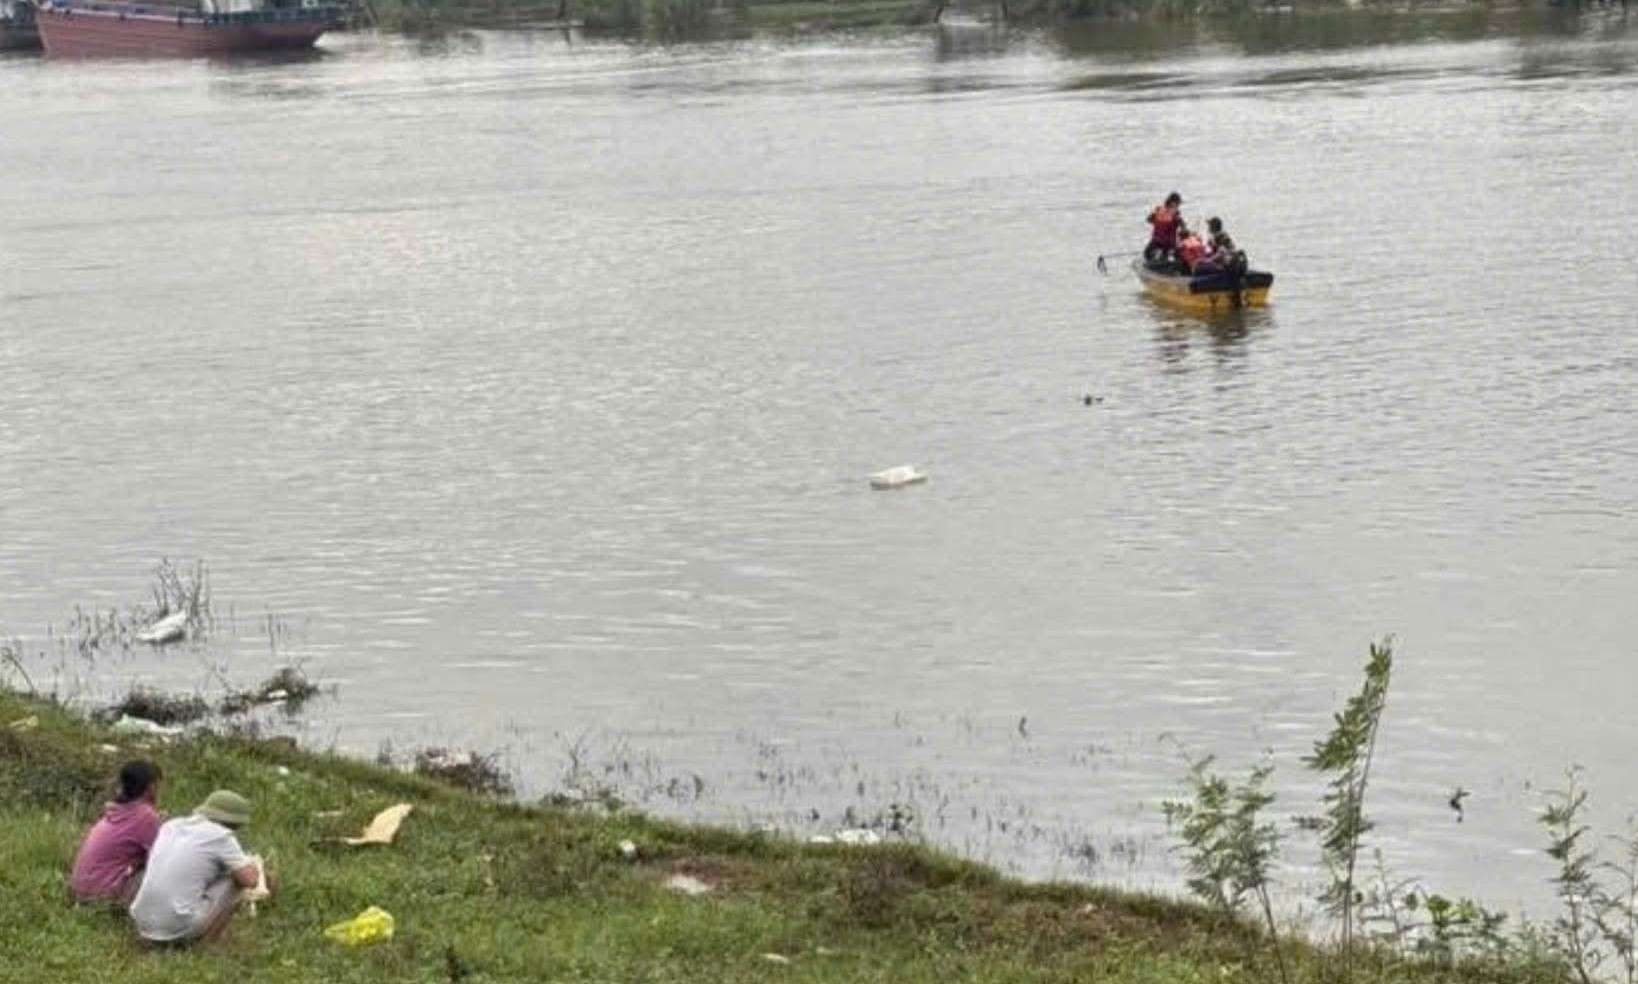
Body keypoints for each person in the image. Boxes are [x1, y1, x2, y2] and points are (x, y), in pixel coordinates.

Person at [129, 790, 269, 945]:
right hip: (178, 925)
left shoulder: (170, 825)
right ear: (233, 823)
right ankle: (208, 943)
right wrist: (254, 866)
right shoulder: (221, 836)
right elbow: (250, 880)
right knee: (235, 882)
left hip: (142, 923)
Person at [69, 761, 165, 904]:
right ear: (151, 787)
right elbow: (160, 857)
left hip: (80, 890)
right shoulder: (145, 816)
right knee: (165, 874)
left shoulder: (116, 810)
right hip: (101, 894)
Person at [1143, 191, 1184, 264]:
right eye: (1178, 204)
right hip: (1169, 244)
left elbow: (1149, 219)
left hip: (1156, 241)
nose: (1178, 206)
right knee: (1172, 256)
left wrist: (1158, 222)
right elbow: (1183, 228)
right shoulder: (1175, 215)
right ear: (1173, 203)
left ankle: (1157, 258)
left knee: (1147, 254)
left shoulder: (1159, 210)